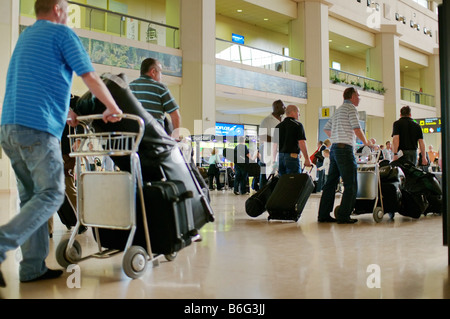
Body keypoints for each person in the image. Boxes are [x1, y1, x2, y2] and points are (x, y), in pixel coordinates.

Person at [0, 0, 122, 288]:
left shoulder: (27, 36)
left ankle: (31, 267)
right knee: (53, 194)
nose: (68, 13)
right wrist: (112, 106)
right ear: (57, 8)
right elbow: (89, 75)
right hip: (37, 129)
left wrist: (66, 111)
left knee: (32, 198)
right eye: (67, 8)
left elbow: (34, 83)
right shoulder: (62, 33)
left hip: (10, 127)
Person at [317, 87, 373, 224]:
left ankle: (323, 214)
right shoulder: (351, 109)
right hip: (344, 149)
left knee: (330, 183)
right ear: (352, 96)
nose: (359, 98)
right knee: (351, 184)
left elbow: (326, 128)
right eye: (358, 96)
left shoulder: (338, 111)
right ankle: (343, 215)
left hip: (335, 149)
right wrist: (366, 143)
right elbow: (356, 128)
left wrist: (336, 137)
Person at [129, 57, 181, 139]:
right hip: (155, 137)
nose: (161, 76)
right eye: (160, 72)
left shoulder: (130, 87)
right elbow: (175, 115)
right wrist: (176, 136)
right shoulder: (160, 88)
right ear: (153, 71)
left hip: (134, 136)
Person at [272, 104, 311, 176]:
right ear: (293, 112)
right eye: (298, 112)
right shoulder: (297, 125)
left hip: (280, 157)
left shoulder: (278, 126)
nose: (299, 114)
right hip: (292, 157)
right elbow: (301, 142)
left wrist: (274, 160)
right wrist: (307, 158)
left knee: (283, 181)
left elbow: (275, 145)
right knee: (293, 181)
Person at [258, 100, 286, 187]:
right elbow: (262, 137)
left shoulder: (284, 120)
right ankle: (263, 197)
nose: (285, 108)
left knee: (279, 177)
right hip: (268, 154)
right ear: (276, 107)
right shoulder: (266, 121)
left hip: (281, 153)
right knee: (266, 177)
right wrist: (276, 139)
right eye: (283, 106)